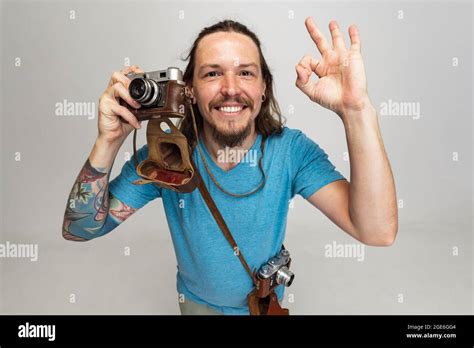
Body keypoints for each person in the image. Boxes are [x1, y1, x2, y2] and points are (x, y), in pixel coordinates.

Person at [62, 18, 398, 315]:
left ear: (263, 87)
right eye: (212, 73)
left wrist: (356, 110)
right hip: (195, 305)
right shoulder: (165, 156)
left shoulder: (291, 152)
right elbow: (78, 230)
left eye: (245, 73)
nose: (231, 89)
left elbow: (377, 231)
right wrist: (108, 141)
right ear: (189, 90)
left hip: (264, 304)